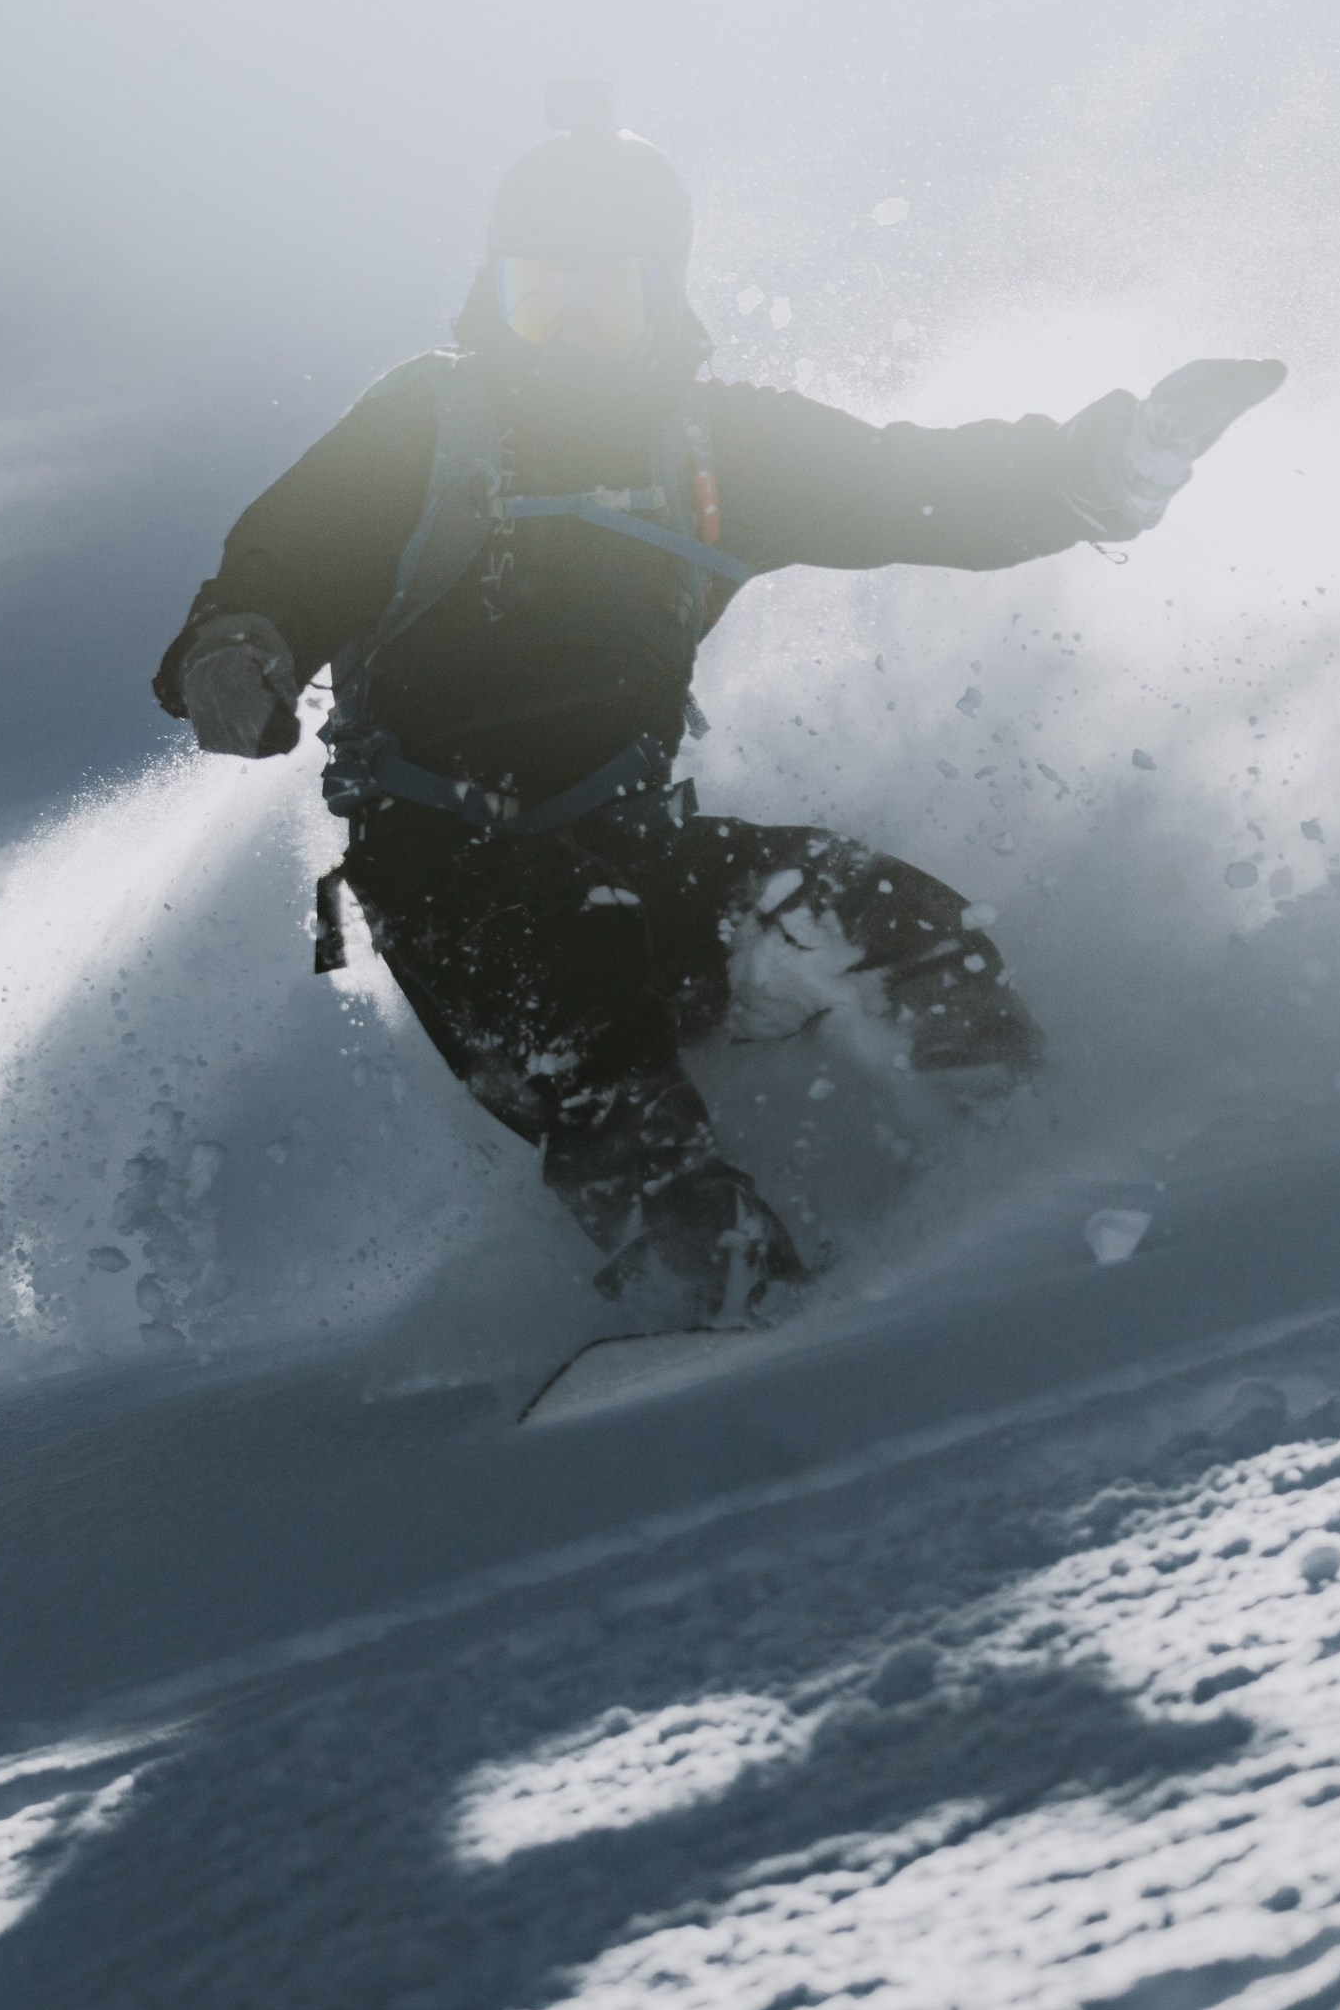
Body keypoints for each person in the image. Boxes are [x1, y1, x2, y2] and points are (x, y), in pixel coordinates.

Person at [155, 86, 1282, 1327]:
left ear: (663, 294)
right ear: (496, 294)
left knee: (897, 917)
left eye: (604, 302)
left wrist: (1098, 468)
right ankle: (718, 1317)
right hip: (450, 891)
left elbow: (922, 488)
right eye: (542, 299)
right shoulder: (427, 427)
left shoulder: (711, 452)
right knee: (602, 1074)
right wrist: (238, 651)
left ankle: (1041, 1161)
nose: (568, 337)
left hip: (632, 861)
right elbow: (288, 557)